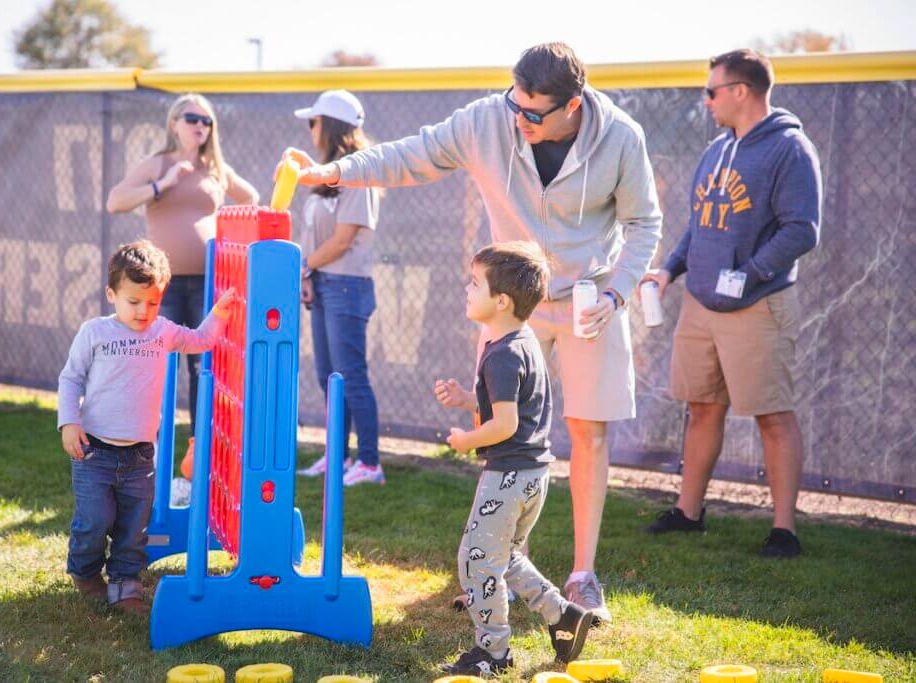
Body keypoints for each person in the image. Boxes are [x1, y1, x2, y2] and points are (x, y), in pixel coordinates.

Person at [286, 42, 662, 622]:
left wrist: (617, 294)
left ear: (573, 106)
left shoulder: (621, 137)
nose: (520, 119)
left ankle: (584, 576)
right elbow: (413, 155)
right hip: (517, 303)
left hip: (593, 299)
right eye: (516, 104)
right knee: (503, 433)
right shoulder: (488, 119)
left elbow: (644, 222)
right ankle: (505, 567)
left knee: (587, 432)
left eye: (534, 113)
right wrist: (336, 170)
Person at [639, 49, 821, 558]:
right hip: (701, 304)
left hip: (758, 304)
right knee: (701, 409)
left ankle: (784, 530)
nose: (707, 99)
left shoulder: (790, 148)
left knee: (772, 414)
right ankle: (688, 513)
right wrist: (669, 269)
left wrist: (749, 274)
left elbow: (802, 230)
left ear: (740, 91)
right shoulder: (717, 149)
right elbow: (700, 225)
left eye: (712, 90)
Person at [434, 241, 592, 675]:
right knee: (505, 557)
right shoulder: (519, 342)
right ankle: (565, 616)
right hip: (532, 475)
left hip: (507, 475)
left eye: (474, 283)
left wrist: (467, 439)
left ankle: (494, 652)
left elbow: (503, 426)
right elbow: (511, 409)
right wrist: (469, 399)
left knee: (476, 560)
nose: (466, 290)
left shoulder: (502, 354)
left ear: (500, 301)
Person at [58, 240, 236, 613]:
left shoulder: (163, 332)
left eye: (152, 303)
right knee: (95, 520)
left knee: (133, 527)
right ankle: (85, 571)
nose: (143, 311)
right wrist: (69, 423)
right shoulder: (95, 333)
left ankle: (125, 585)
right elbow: (70, 379)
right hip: (94, 451)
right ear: (112, 294)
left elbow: (201, 340)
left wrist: (219, 312)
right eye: (134, 302)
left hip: (140, 455)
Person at [106, 93, 258, 465]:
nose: (200, 127)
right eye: (192, 118)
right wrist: (164, 184)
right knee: (156, 363)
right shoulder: (158, 163)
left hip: (209, 282)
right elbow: (116, 201)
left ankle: (196, 461)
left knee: (201, 367)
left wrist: (226, 231)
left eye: (207, 121)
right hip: (163, 286)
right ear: (174, 122)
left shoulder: (215, 168)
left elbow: (252, 197)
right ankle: (144, 456)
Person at [291, 90, 384, 486]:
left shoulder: (358, 174)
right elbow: (316, 238)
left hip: (347, 286)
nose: (309, 129)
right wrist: (309, 276)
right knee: (328, 375)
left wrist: (305, 267)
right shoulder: (328, 175)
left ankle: (369, 463)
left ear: (328, 125)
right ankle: (337, 456)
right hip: (325, 282)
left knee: (351, 375)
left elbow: (344, 240)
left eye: (313, 121)